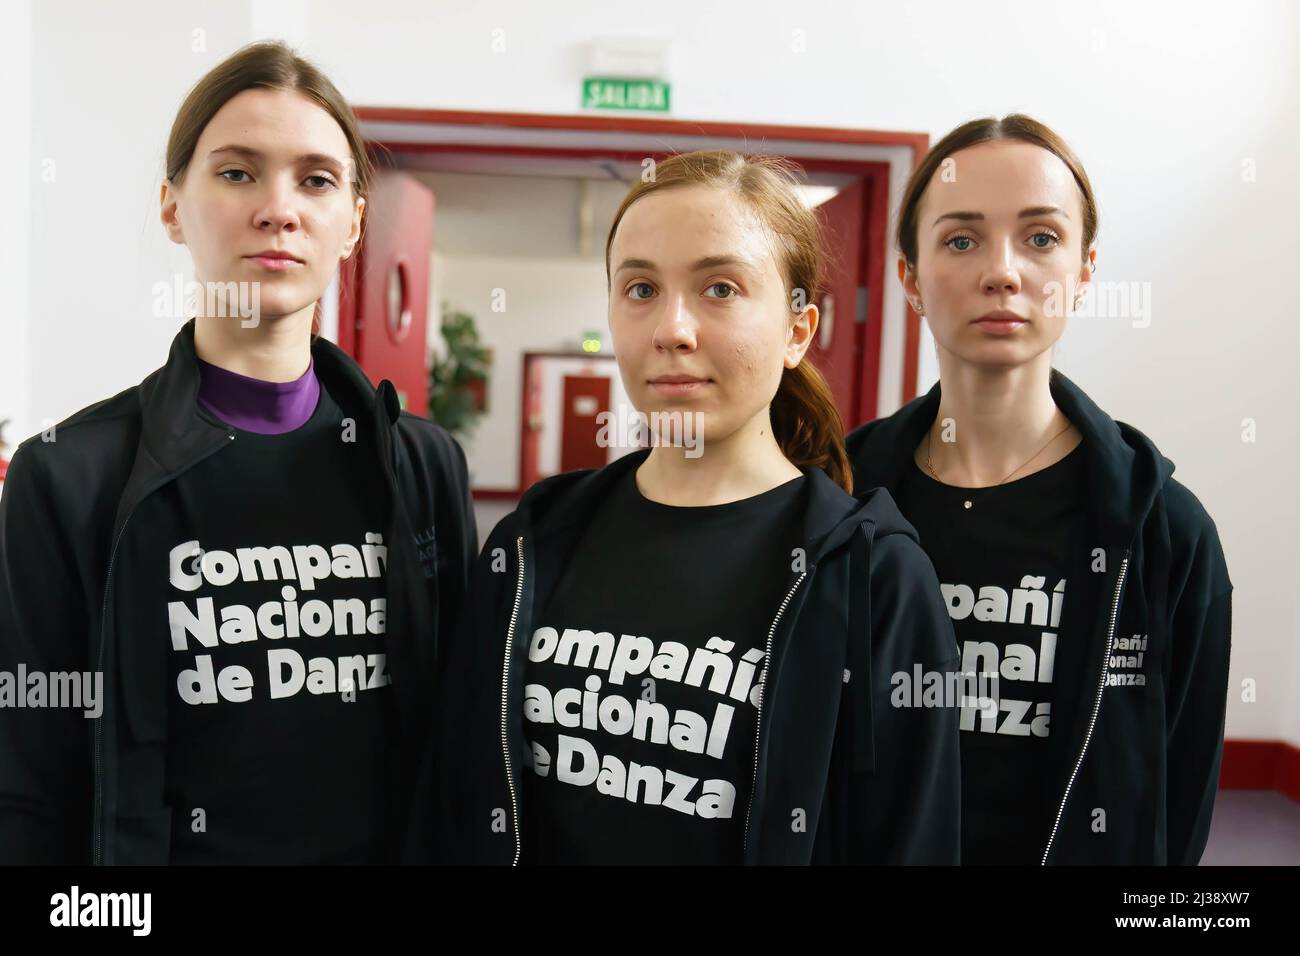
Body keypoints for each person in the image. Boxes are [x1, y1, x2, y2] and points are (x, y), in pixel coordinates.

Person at [0, 40, 476, 864]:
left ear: (354, 221)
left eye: (317, 179)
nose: (278, 209)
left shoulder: (419, 467)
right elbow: (30, 781)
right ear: (171, 206)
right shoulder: (69, 474)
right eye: (236, 172)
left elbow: (458, 746)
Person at [423, 150, 960, 865]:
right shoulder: (533, 540)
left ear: (798, 331)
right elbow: (452, 808)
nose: (672, 328)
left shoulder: (875, 575)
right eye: (640, 288)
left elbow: (908, 843)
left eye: (720, 288)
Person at [846, 115, 1232, 865]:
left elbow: (1180, 797)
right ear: (910, 276)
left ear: (1085, 272)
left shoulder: (1164, 530)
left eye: (1041, 238)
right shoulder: (839, 500)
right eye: (961, 240)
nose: (1003, 272)